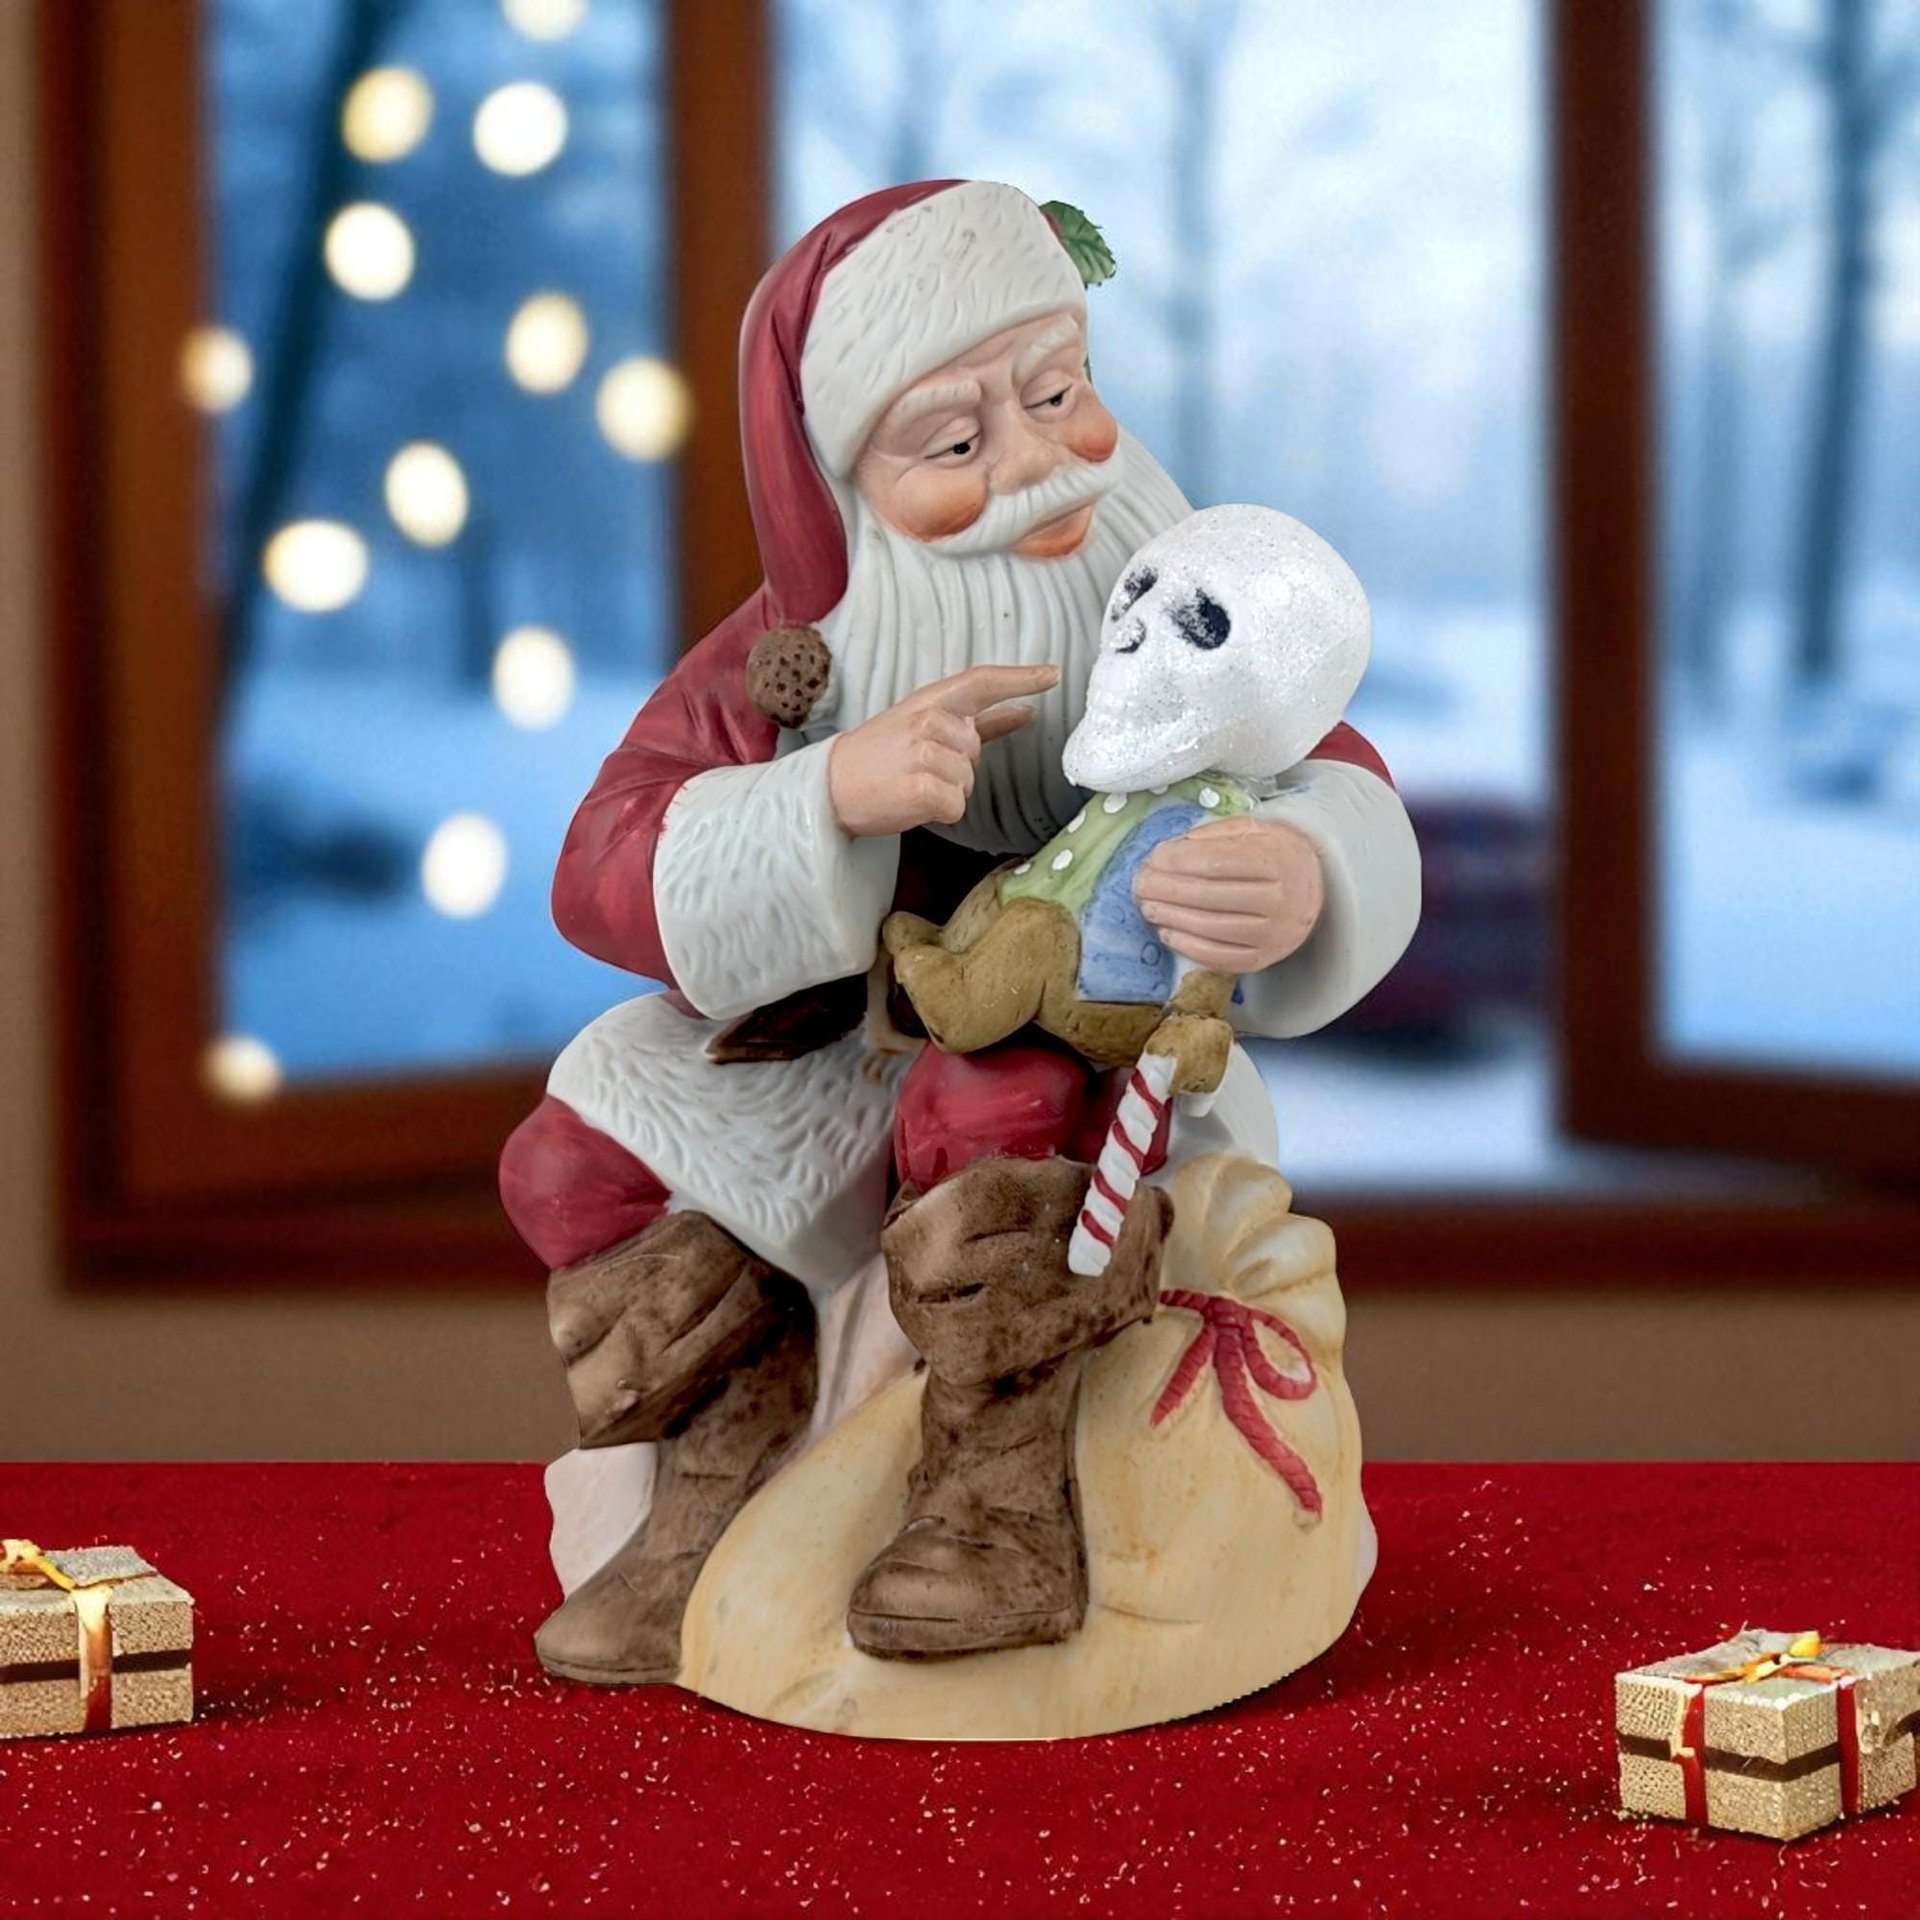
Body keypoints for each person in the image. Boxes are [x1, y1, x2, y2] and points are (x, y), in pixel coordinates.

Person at [499, 180, 1421, 1682]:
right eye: (955, 442)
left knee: (989, 1102)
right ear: (846, 481)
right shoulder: (799, 663)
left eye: (1058, 392)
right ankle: (714, 1481)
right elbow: (602, 866)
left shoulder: (1185, 598)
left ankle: (996, 1500)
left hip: (1080, 1056)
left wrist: (1306, 871)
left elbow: (1333, 768)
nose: (1038, 463)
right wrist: (827, 796)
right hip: (827, 1042)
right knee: (578, 1149)